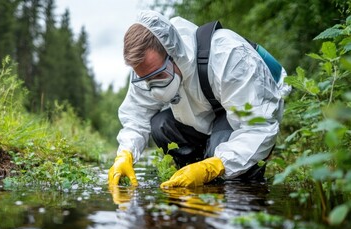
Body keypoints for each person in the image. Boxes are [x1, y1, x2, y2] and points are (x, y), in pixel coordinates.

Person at [108, 10, 291, 188]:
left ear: (174, 54)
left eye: (158, 76)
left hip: (241, 113)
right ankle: (187, 179)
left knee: (221, 161)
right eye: (146, 79)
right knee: (161, 125)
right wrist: (125, 154)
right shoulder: (147, 70)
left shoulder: (228, 55)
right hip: (203, 115)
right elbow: (136, 117)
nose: (152, 86)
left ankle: (229, 183)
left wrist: (212, 166)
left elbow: (258, 126)